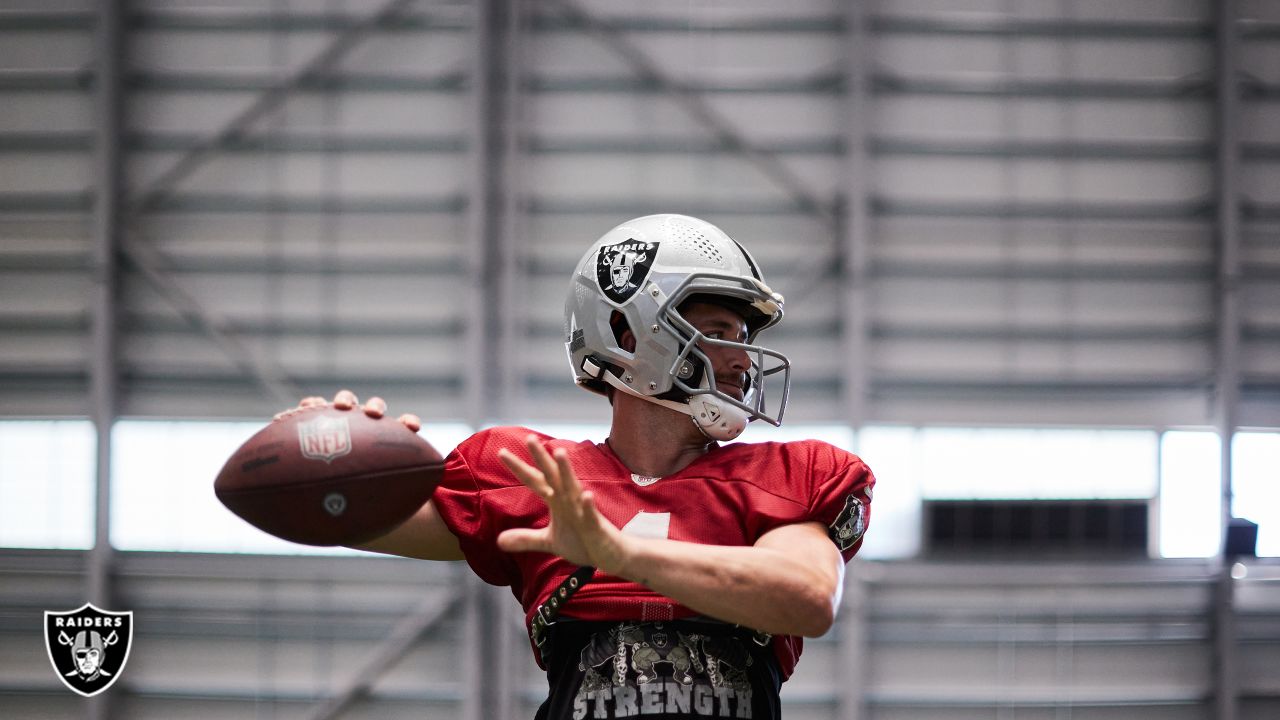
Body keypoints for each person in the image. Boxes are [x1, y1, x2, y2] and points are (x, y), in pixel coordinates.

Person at [290, 214, 875, 719]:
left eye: (744, 337)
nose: (742, 360)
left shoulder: (785, 478)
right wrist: (318, 461)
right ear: (628, 333)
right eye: (719, 332)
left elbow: (808, 597)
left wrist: (619, 553)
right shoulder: (535, 474)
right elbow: (336, 515)